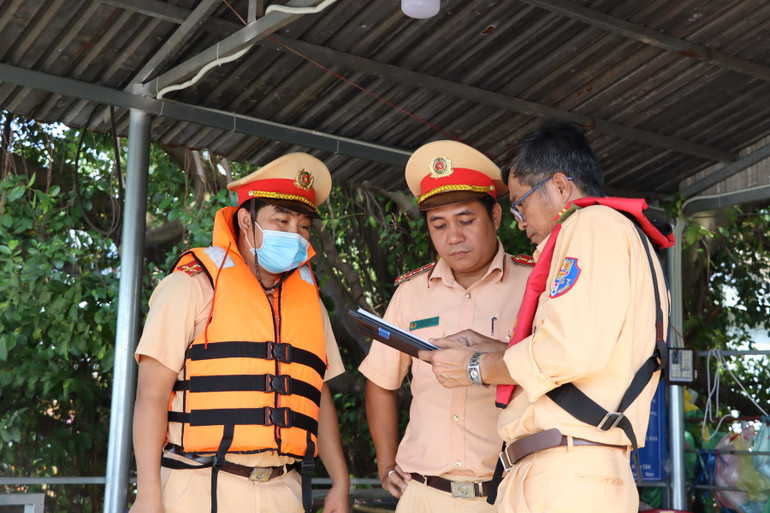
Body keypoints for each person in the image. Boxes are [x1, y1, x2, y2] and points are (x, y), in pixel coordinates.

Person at [419, 121, 674, 513]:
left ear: (559, 186)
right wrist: (495, 349)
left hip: (567, 473)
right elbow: (578, 347)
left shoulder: (589, 225)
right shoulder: (617, 234)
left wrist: (476, 367)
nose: (519, 220)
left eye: (521, 202)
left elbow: (567, 351)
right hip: (573, 469)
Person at [130, 153, 350, 513]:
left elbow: (316, 393)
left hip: (287, 490)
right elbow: (151, 394)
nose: (294, 235)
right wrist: (148, 494)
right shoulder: (191, 286)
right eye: (281, 220)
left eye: (304, 226)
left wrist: (341, 481)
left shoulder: (310, 301)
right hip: (197, 487)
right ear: (245, 220)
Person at [359, 140, 532, 512]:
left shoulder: (533, 285)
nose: (453, 236)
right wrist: (386, 463)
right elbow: (380, 382)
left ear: (496, 217)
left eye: (466, 221)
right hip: (424, 496)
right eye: (439, 225)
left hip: (506, 495)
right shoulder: (411, 294)